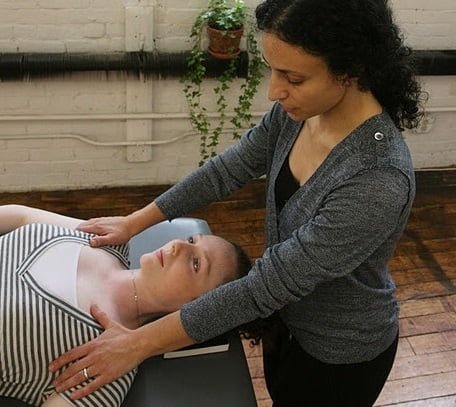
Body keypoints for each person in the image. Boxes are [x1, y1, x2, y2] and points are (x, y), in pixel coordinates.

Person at [50, 0, 426, 405]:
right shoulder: (298, 113)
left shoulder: (377, 178)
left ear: (350, 71)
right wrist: (134, 222)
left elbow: (264, 286)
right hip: (285, 323)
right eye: (272, 70)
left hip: (338, 353)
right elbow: (226, 170)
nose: (274, 90)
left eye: (293, 78)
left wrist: (136, 344)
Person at [0, 204, 251, 407]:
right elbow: (22, 217)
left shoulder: (106, 367)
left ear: (196, 309)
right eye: (191, 240)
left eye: (195, 263)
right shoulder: (111, 240)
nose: (178, 246)